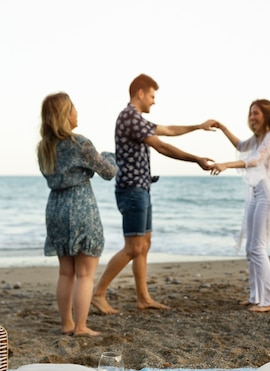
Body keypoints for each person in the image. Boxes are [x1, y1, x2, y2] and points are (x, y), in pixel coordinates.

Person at [91, 73, 215, 314]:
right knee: (133, 247)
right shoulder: (129, 116)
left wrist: (198, 127)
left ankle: (143, 297)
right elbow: (162, 145)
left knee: (144, 244)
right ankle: (98, 294)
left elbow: (167, 130)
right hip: (132, 190)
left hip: (142, 188)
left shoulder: (136, 118)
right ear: (140, 93)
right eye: (151, 96)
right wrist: (196, 159)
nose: (153, 101)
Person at [37, 92, 117, 336]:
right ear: (65, 115)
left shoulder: (44, 147)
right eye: (73, 108)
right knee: (84, 273)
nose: (77, 112)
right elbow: (109, 172)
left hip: (56, 207)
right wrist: (109, 156)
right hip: (80, 206)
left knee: (65, 271)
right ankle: (81, 327)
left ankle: (66, 324)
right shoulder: (80, 143)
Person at [210, 100, 270, 313]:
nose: (252, 117)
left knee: (258, 247)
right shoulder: (258, 138)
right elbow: (241, 146)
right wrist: (223, 128)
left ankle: (269, 300)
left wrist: (226, 165)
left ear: (266, 115)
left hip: (268, 194)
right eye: (250, 114)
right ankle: (255, 296)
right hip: (255, 193)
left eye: (256, 113)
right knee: (251, 248)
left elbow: (255, 160)